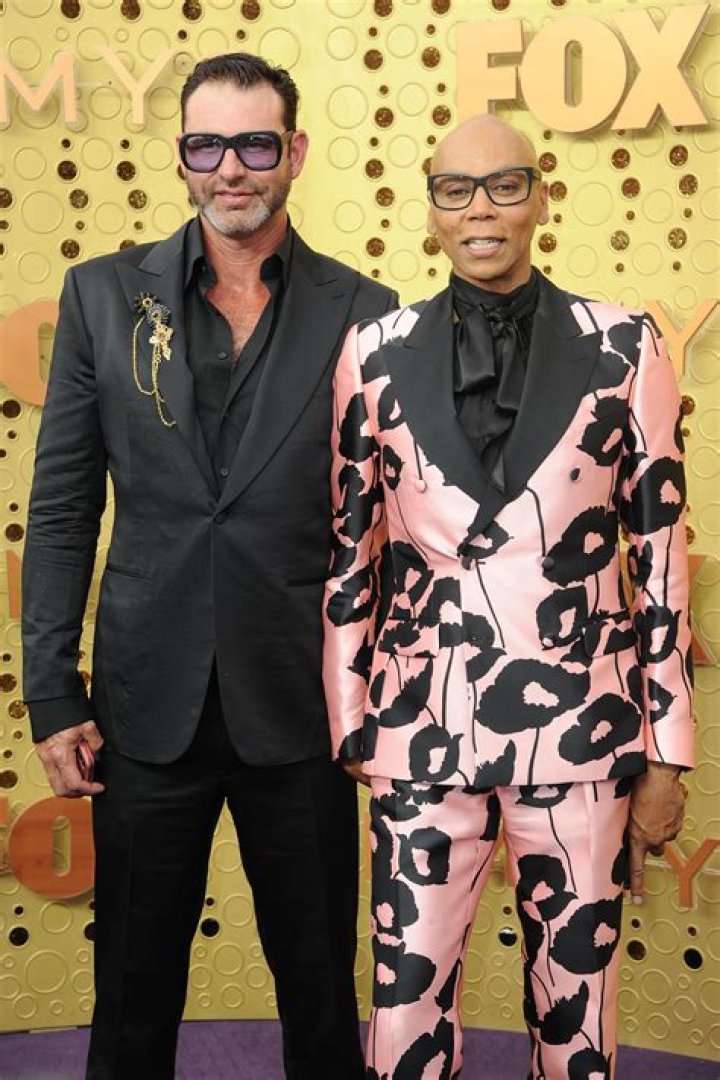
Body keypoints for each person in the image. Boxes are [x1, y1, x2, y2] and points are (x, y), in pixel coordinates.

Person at [22, 52, 397, 1080]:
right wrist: (52, 694)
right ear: (183, 154)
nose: (230, 168)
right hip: (144, 708)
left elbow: (391, 526)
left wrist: (384, 697)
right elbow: (62, 510)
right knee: (131, 1001)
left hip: (304, 710)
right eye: (206, 144)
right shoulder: (103, 296)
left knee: (321, 996)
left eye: (255, 144)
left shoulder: (368, 310)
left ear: (295, 153)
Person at [322, 114, 693, 1078]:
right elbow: (351, 548)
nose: (479, 209)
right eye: (455, 190)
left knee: (578, 1016)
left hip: (584, 732)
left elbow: (660, 557)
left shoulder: (626, 345)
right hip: (417, 729)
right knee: (405, 1003)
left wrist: (667, 751)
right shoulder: (372, 350)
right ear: (431, 211)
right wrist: (352, 719)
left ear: (540, 197)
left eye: (503, 185)